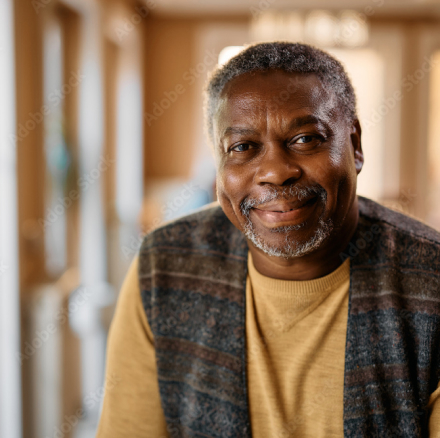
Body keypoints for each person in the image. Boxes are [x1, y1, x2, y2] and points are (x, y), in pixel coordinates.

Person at [96, 42, 440, 437]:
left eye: (305, 139)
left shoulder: (430, 281)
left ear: (355, 145)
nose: (275, 172)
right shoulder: (165, 265)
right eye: (243, 147)